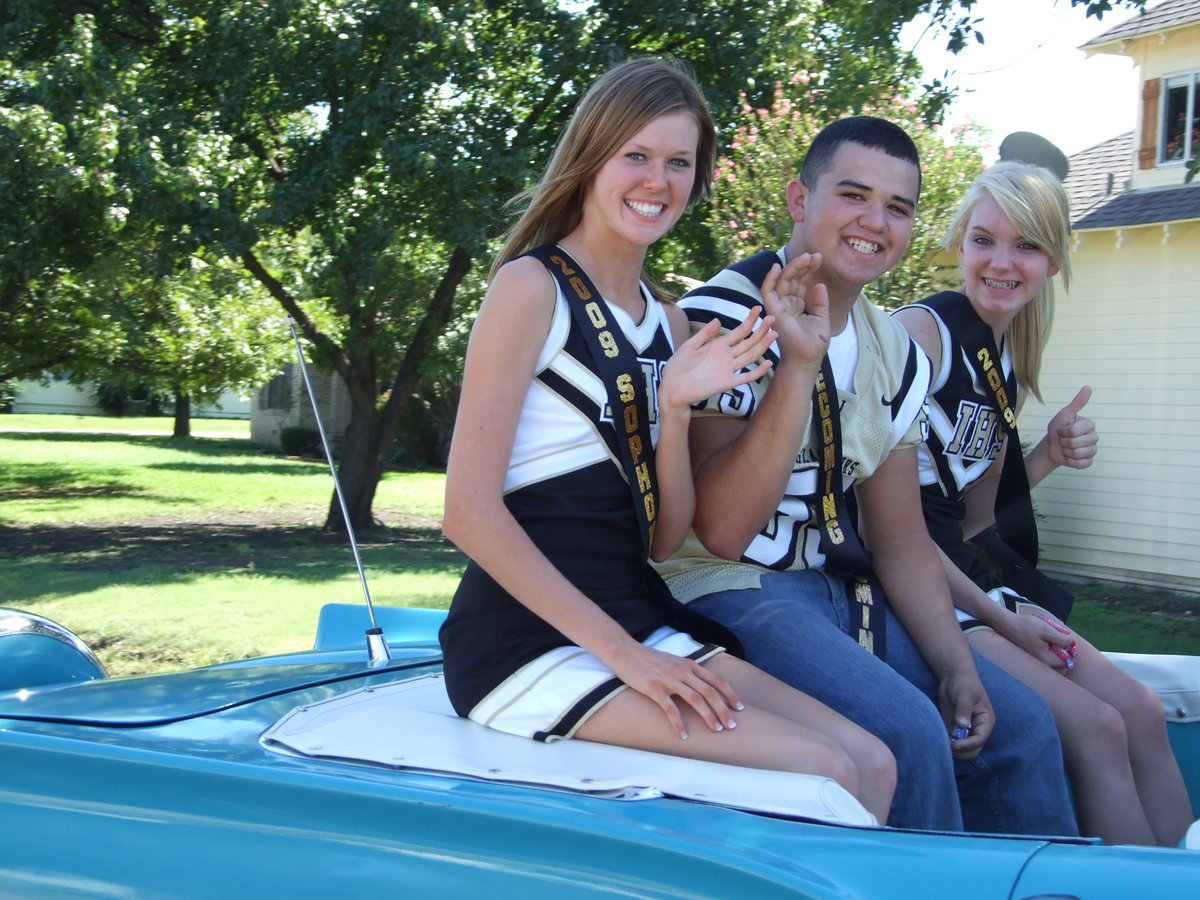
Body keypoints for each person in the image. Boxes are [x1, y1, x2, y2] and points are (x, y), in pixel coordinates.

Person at [437, 58, 896, 823]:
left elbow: (668, 537)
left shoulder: (671, 318)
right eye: (637, 156)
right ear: (593, 157)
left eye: (679, 162)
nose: (658, 180)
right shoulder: (530, 287)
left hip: (637, 616)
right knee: (825, 772)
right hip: (527, 642)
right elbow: (467, 513)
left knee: (874, 760)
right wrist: (625, 657)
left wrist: (677, 409)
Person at [655, 115, 1078, 835]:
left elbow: (901, 538)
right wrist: (797, 363)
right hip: (726, 589)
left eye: (899, 207)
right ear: (799, 199)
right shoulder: (723, 315)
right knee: (910, 733)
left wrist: (957, 665)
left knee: (1022, 723)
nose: (874, 222)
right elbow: (721, 533)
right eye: (853, 195)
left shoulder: (894, 350)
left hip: (837, 590)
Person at [893, 158, 1195, 846]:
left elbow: (970, 516)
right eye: (984, 240)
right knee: (1098, 727)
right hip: (916, 595)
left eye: (1026, 245)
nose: (1002, 262)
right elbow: (890, 530)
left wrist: (1048, 458)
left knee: (1142, 712)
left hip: (967, 579)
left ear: (1053, 260)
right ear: (960, 244)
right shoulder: (922, 337)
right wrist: (1003, 623)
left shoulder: (1006, 370)